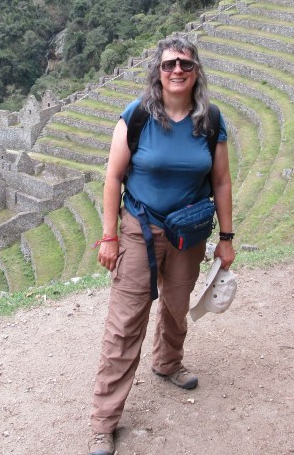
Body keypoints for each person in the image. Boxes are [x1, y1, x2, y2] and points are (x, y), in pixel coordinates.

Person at [88, 36, 235, 455]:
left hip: (188, 231)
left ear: (196, 72)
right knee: (125, 321)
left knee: (176, 303)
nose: (177, 71)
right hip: (140, 228)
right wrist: (110, 236)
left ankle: (168, 362)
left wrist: (226, 238)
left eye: (185, 64)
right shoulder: (137, 117)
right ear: (158, 71)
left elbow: (221, 181)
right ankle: (103, 422)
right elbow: (113, 177)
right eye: (169, 64)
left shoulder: (210, 121)